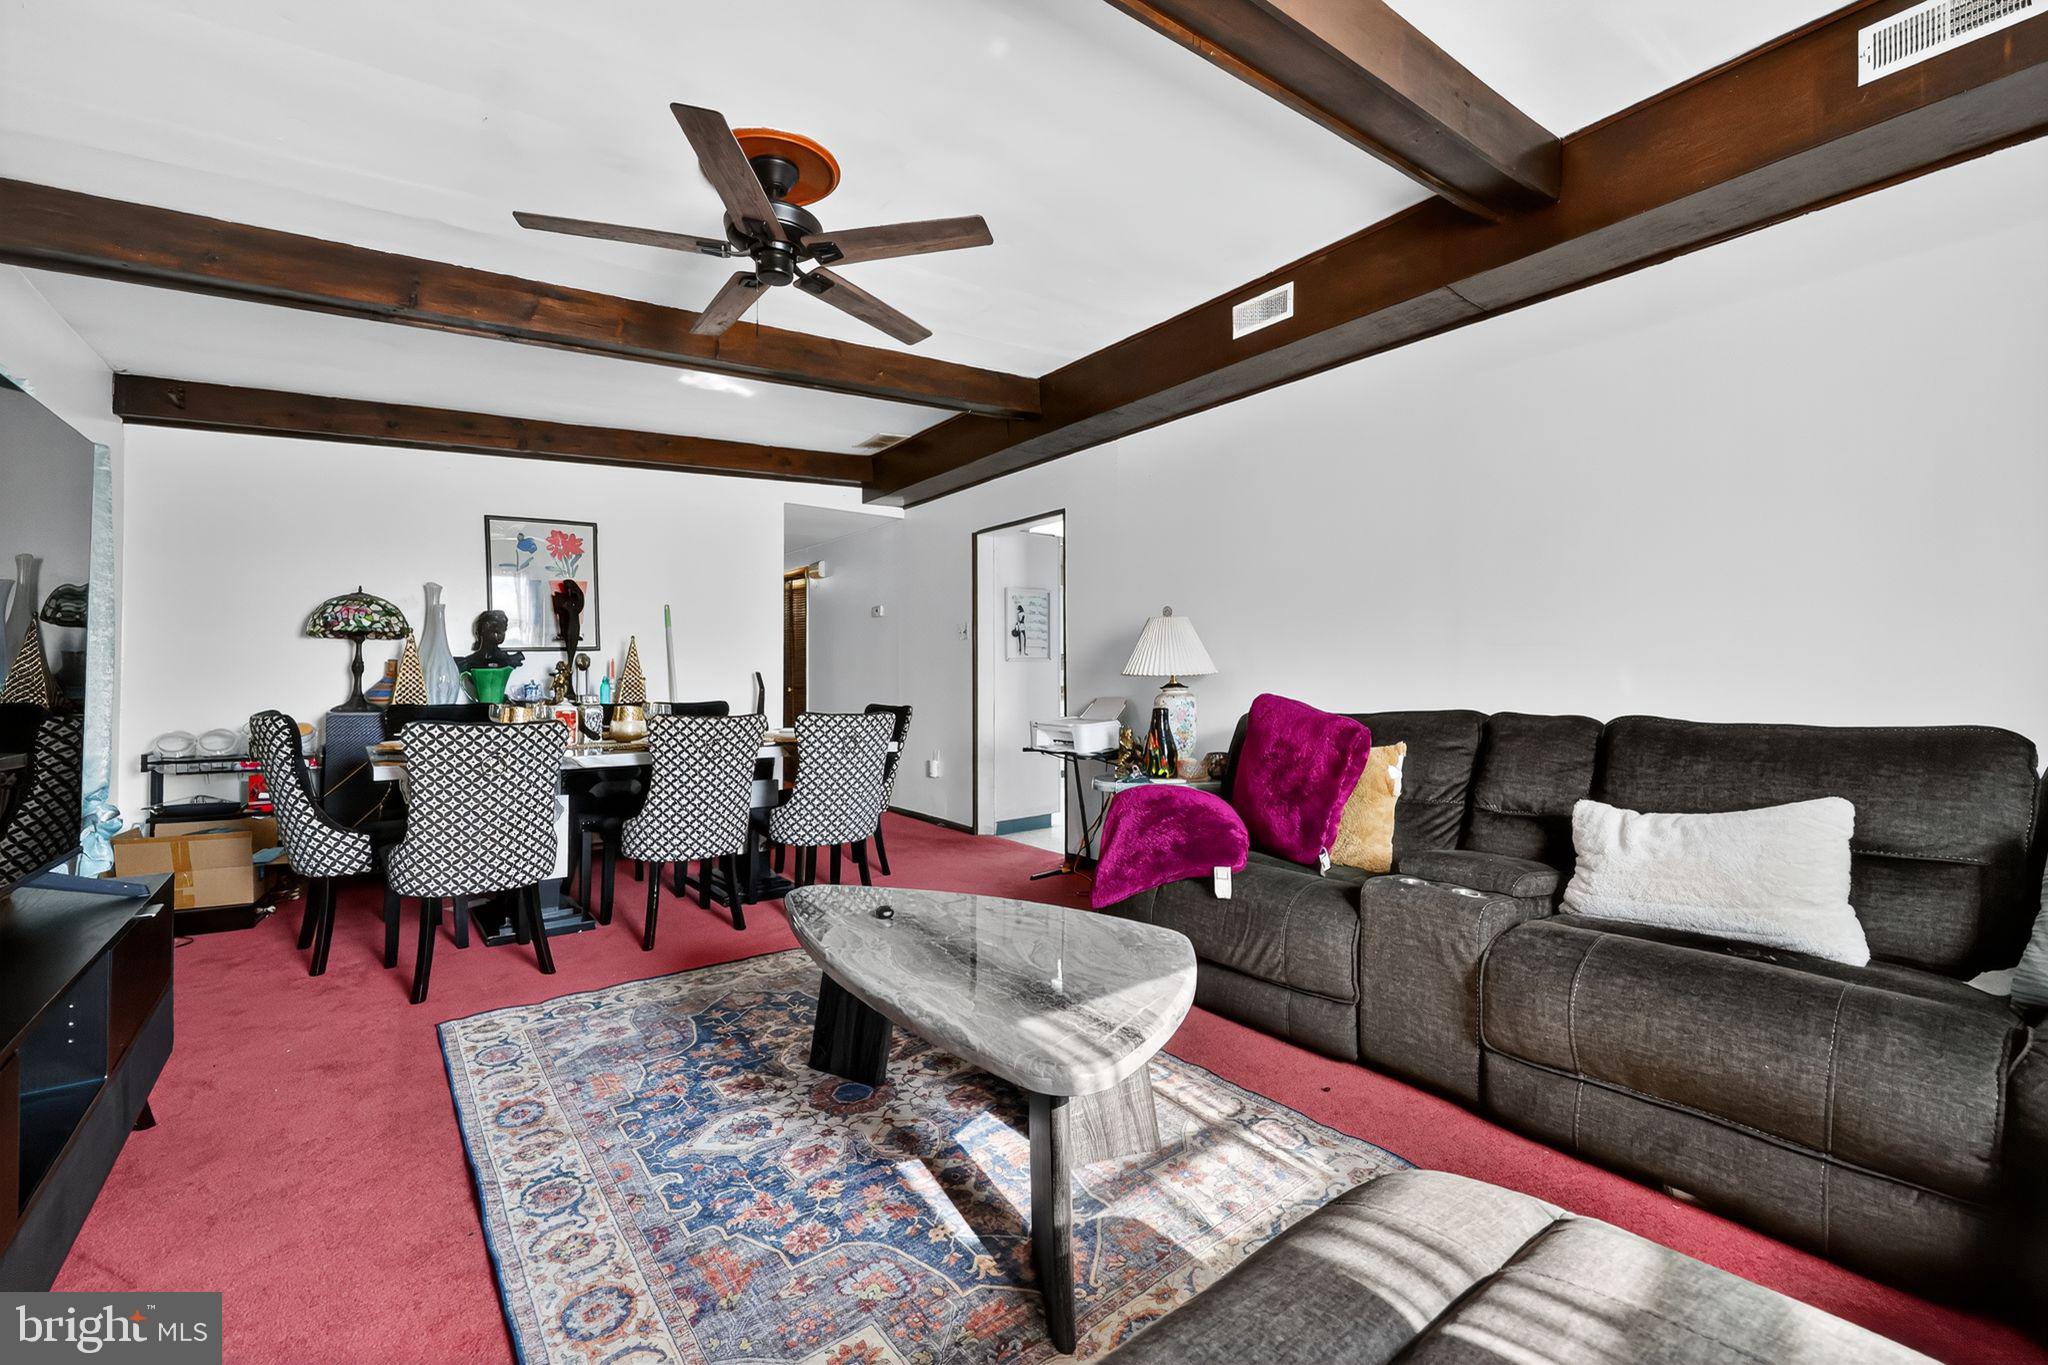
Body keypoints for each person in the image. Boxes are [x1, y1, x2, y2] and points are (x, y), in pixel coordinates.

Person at [458, 608, 526, 673]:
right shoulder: (467, 662)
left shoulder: (507, 660)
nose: (501, 633)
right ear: (483, 629)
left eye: (503, 629)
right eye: (496, 628)